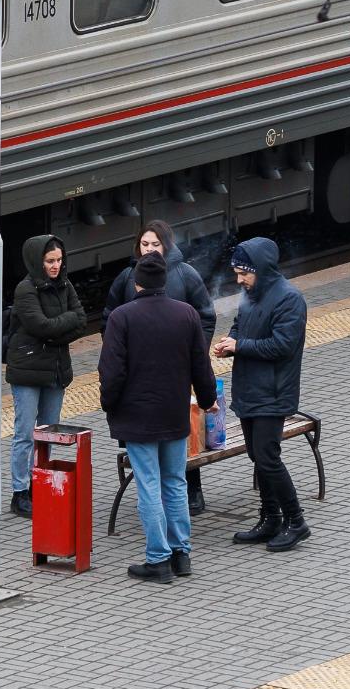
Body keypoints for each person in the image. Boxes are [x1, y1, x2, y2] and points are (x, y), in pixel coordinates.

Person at [100, 254, 218, 582]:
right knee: (175, 482)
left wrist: (108, 404)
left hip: (138, 418)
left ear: (137, 283)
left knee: (149, 485)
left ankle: (158, 559)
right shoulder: (187, 314)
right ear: (164, 282)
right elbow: (201, 365)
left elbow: (112, 371)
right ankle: (182, 555)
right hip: (174, 413)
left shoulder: (122, 318)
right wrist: (208, 400)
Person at [108, 222, 217, 513]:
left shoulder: (185, 274)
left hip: (177, 372)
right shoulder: (127, 277)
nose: (149, 250)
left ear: (166, 245)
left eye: (155, 245)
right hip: (139, 376)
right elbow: (110, 319)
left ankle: (193, 488)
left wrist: (195, 352)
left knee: (184, 432)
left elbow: (206, 316)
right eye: (144, 244)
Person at [213, 238, 309, 551]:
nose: (239, 280)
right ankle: (270, 518)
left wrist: (241, 347)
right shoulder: (251, 293)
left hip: (273, 391)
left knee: (268, 457)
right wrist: (231, 341)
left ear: (262, 270)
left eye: (244, 273)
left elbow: (283, 345)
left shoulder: (289, 299)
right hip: (251, 389)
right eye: (237, 272)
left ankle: (296, 521)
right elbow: (241, 324)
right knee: (258, 455)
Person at [3, 235, 90, 516]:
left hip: (54, 370)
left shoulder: (65, 285)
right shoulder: (25, 290)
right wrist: (60, 328)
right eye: (50, 261)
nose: (55, 266)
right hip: (28, 370)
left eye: (58, 260)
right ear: (37, 261)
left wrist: (55, 330)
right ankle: (20, 491)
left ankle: (38, 481)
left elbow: (82, 322)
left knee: (48, 432)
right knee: (25, 433)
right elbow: (40, 326)